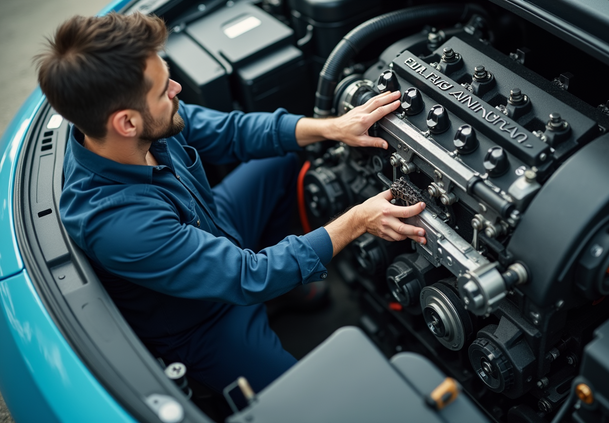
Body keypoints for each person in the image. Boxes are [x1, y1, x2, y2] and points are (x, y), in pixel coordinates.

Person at [35, 12, 426, 396]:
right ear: (127, 124)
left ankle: (287, 290)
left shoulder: (135, 124)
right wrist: (357, 220)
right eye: (162, 90)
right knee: (304, 398)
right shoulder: (117, 223)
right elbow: (247, 276)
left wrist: (331, 127)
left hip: (217, 230)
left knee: (281, 159)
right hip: (202, 319)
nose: (176, 89)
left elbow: (229, 131)